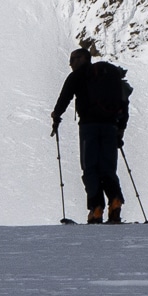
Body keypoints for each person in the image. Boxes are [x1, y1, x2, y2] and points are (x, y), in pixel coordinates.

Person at [49, 45, 132, 224]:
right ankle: (115, 203)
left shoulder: (78, 75)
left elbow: (65, 97)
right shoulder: (111, 77)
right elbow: (124, 103)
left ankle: (96, 209)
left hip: (89, 127)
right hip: (111, 127)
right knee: (108, 168)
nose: (70, 63)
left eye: (73, 59)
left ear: (83, 59)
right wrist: (121, 129)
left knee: (90, 168)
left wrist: (56, 115)